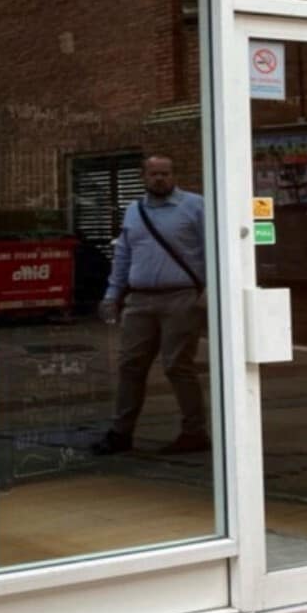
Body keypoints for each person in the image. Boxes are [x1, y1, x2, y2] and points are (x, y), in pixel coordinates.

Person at [92, 154, 209, 455]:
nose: (160, 179)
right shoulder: (134, 210)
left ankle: (194, 432)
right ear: (144, 176)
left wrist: (210, 290)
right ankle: (121, 432)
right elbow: (123, 256)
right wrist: (112, 294)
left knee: (177, 365)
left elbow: (214, 250)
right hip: (140, 299)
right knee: (130, 365)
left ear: (174, 175)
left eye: (166, 173)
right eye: (155, 174)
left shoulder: (195, 206)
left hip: (181, 298)